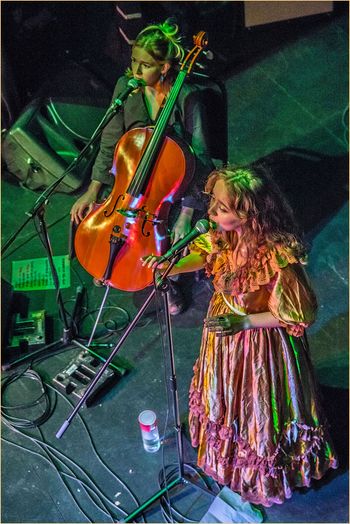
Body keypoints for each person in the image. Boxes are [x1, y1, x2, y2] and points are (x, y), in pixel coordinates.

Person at [142, 164, 338, 507]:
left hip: (260, 342)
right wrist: (168, 266)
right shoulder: (225, 235)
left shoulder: (277, 256)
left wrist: (244, 323)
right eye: (213, 204)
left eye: (222, 208)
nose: (212, 213)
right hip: (225, 330)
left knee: (258, 409)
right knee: (223, 397)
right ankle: (226, 456)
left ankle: (264, 475)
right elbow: (204, 253)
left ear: (249, 211)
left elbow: (296, 313)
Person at [70, 19, 214, 315]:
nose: (135, 71)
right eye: (133, 61)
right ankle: (107, 262)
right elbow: (110, 142)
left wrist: (186, 214)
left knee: (171, 238)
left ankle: (167, 280)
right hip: (129, 185)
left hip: (177, 190)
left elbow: (200, 163)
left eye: (145, 65)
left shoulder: (188, 98)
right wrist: (93, 189)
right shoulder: (127, 88)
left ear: (164, 67)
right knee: (84, 217)